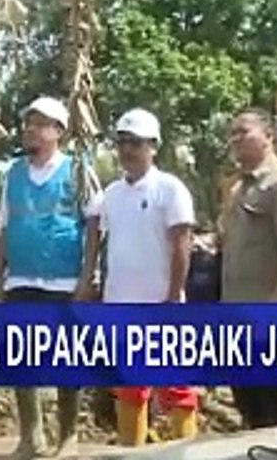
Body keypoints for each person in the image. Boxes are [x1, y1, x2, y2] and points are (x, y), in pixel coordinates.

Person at [0, 96, 100, 459]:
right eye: (28, 124)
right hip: (21, 280)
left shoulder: (77, 170)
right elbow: (5, 228)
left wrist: (87, 277)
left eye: (39, 124)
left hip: (63, 282)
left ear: (58, 131)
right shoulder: (14, 174)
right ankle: (31, 436)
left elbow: (94, 226)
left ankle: (68, 437)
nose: (30, 130)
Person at [85, 108, 199, 447]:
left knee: (176, 389)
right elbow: (95, 231)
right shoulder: (111, 195)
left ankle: (187, 453)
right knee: (130, 390)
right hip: (121, 307)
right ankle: (132, 452)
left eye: (135, 143)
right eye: (121, 143)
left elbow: (182, 245)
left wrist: (173, 296)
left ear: (153, 146)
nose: (127, 150)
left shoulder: (170, 189)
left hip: (161, 305)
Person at [220, 109, 277, 429]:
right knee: (251, 411)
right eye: (232, 133)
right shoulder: (237, 190)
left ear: (269, 136)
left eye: (243, 132)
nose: (236, 139)